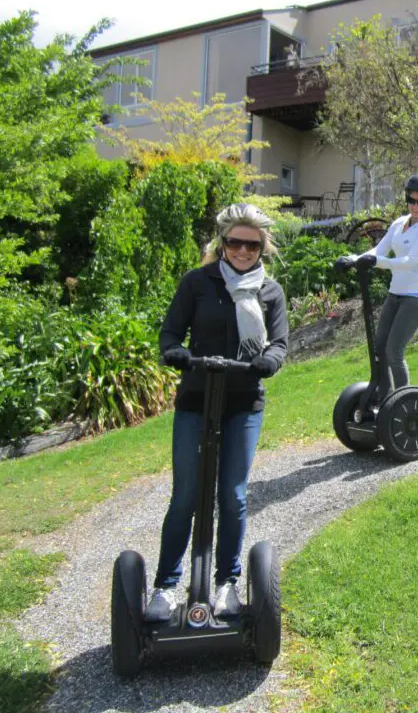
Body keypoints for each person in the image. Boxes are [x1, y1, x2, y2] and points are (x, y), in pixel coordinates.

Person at [148, 203, 288, 620]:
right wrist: (175, 351)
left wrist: (270, 361)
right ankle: (166, 587)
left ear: (261, 247)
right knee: (186, 496)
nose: (243, 251)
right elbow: (171, 330)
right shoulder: (197, 283)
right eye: (235, 242)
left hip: (244, 399)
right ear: (222, 242)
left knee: (233, 495)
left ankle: (227, 582)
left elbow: (280, 342)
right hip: (196, 397)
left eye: (252, 244)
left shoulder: (270, 291)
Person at [339, 173, 418, 400]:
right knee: (379, 350)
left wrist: (377, 263)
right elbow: (379, 250)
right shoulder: (398, 224)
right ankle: (386, 400)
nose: (415, 206)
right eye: (411, 200)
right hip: (395, 294)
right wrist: (353, 259)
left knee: (393, 351)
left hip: (417, 297)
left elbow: (409, 262)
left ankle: (403, 401)